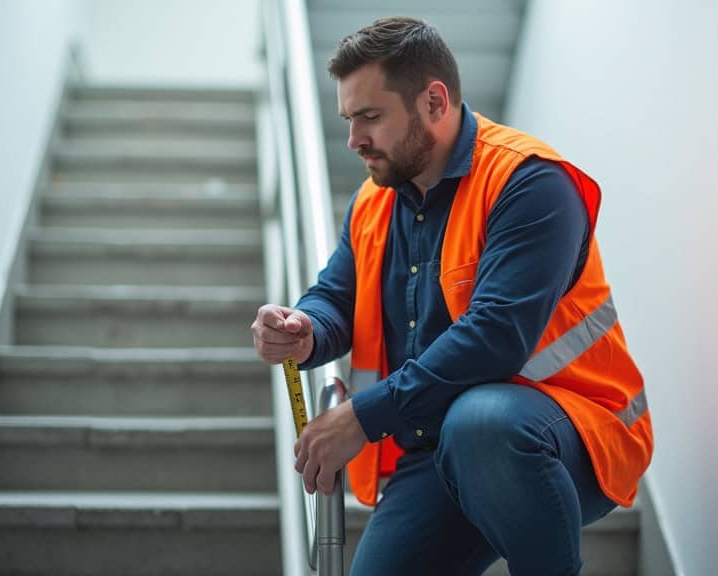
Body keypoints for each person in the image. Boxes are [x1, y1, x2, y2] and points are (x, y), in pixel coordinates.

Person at [250, 16, 653, 576]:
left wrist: (362, 417)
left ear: (434, 102)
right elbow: (337, 296)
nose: (354, 139)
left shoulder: (530, 182)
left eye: (370, 117)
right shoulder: (373, 203)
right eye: (349, 119)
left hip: (569, 433)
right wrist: (304, 328)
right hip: (436, 446)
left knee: (480, 423)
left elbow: (496, 336)